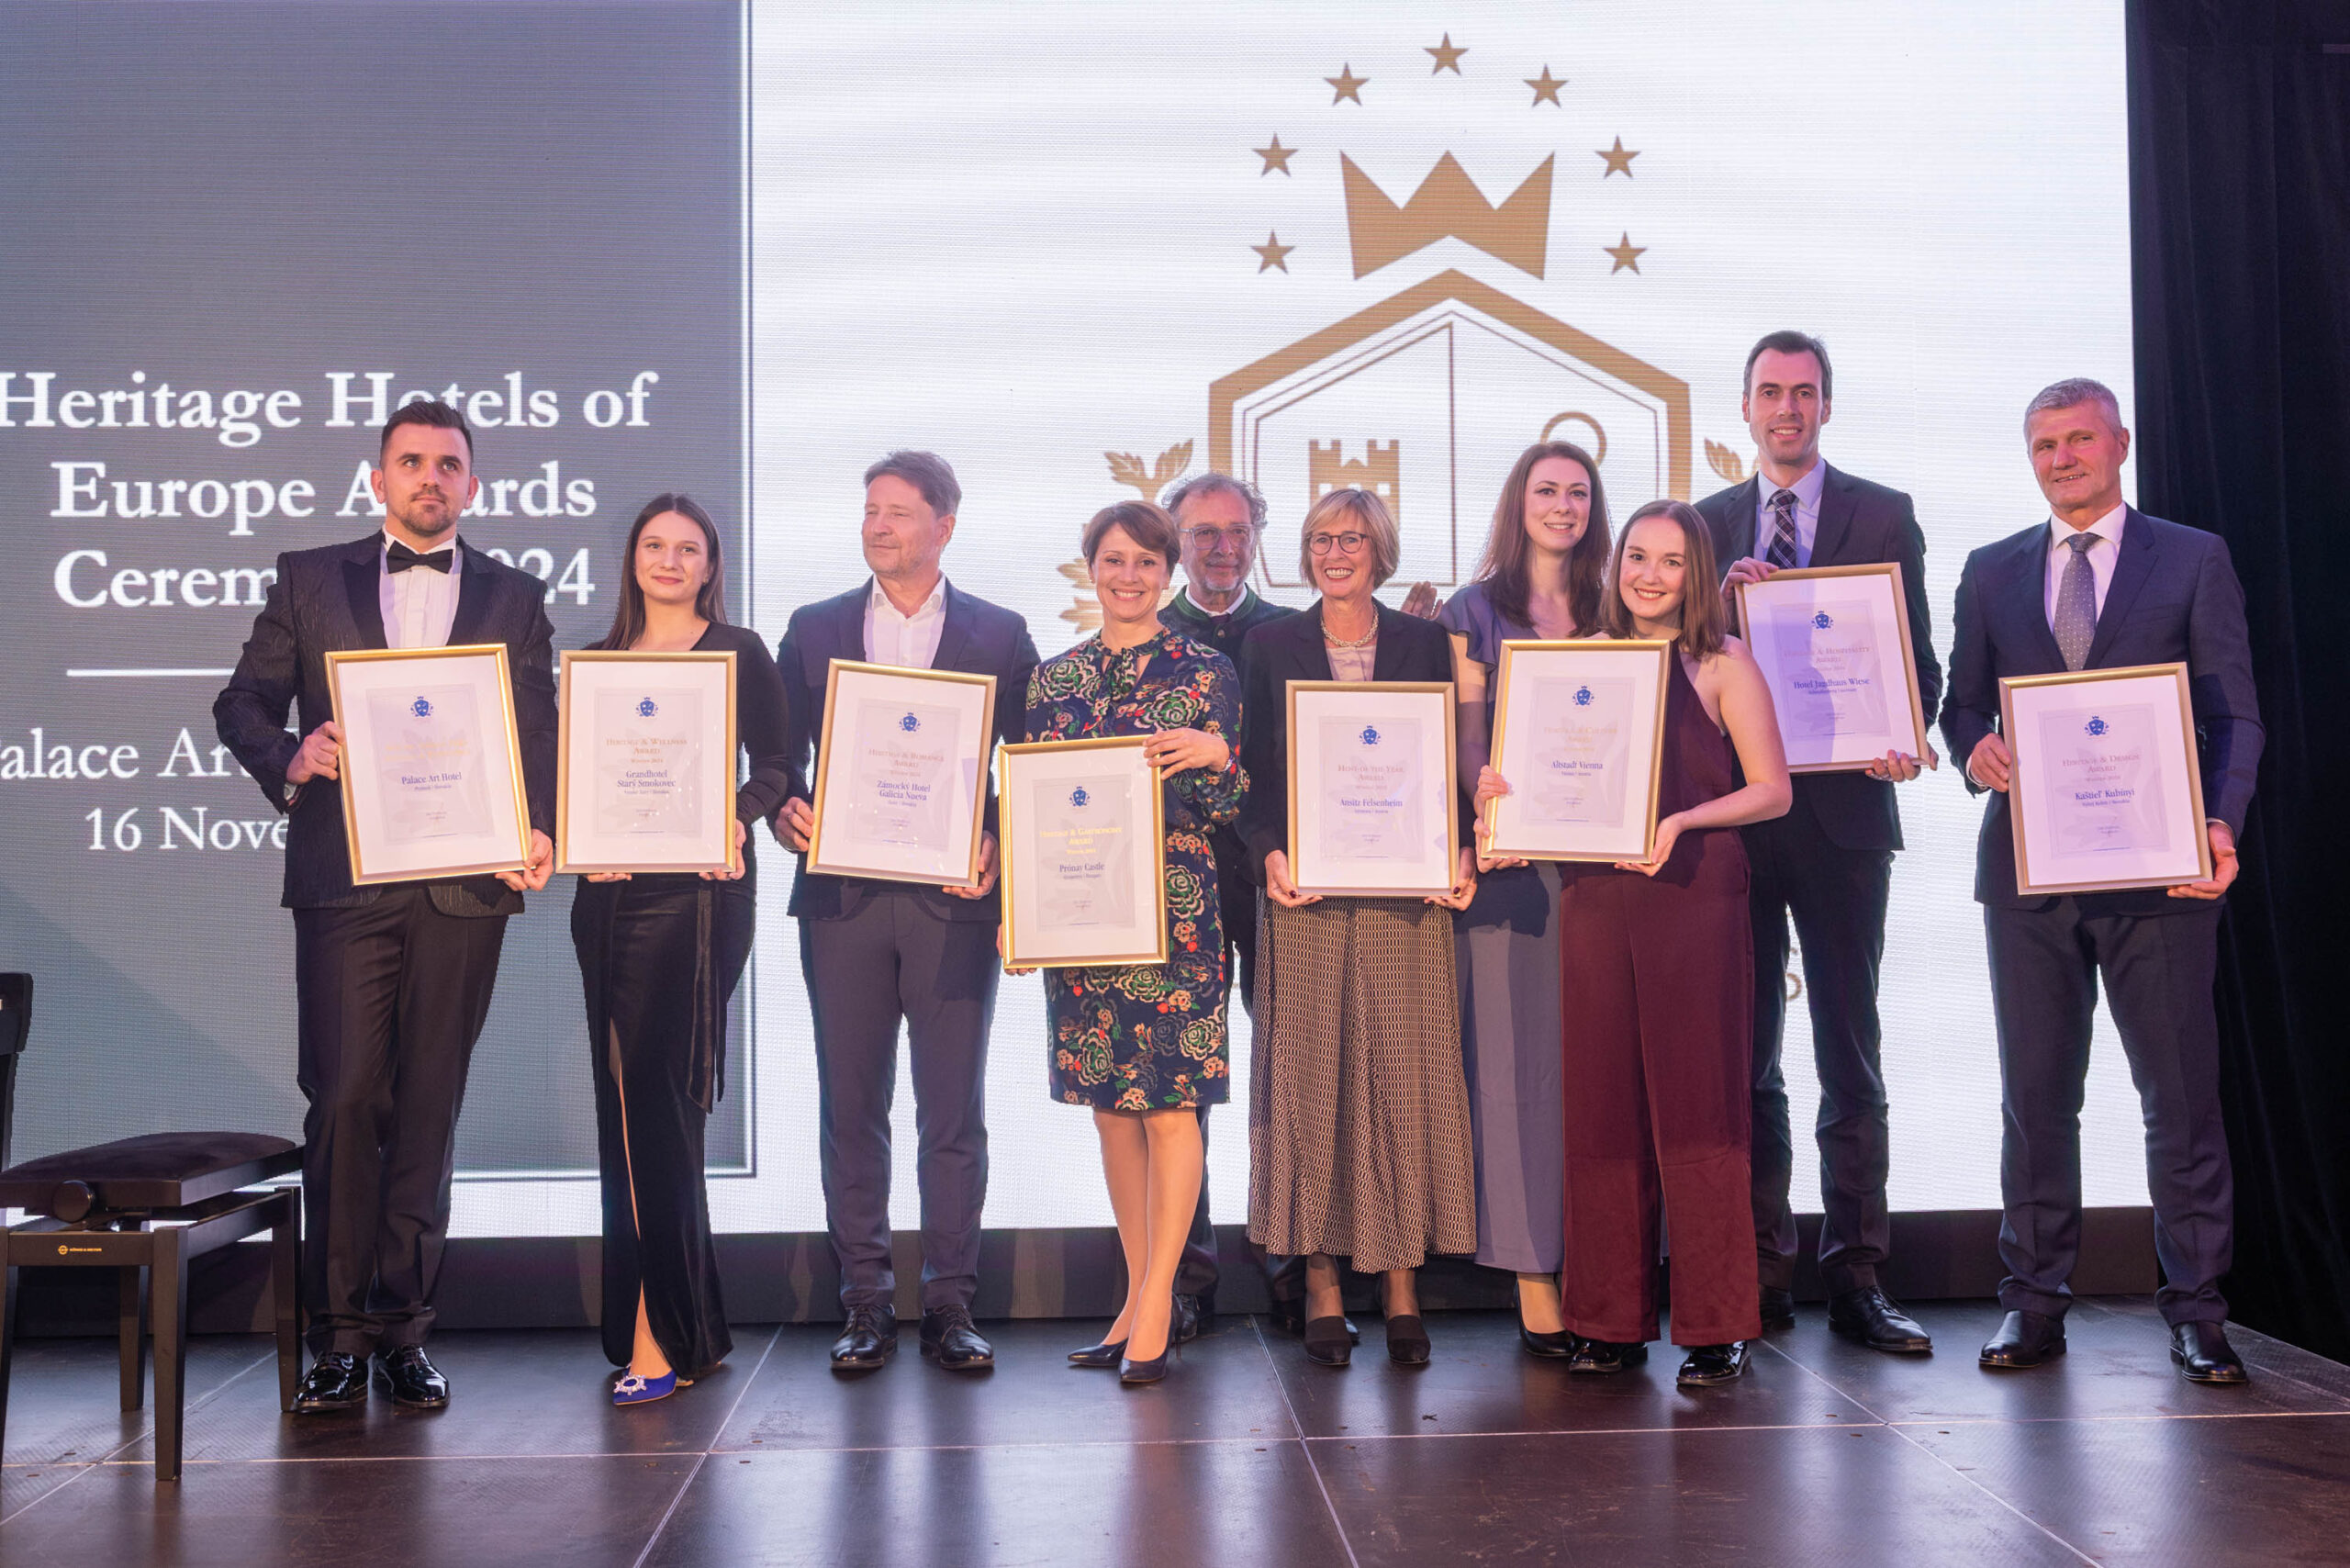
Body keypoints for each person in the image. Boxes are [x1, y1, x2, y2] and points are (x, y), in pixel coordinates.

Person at [214, 400, 556, 1413]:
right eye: (411, 462)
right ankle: (338, 1334)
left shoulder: (514, 595)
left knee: (429, 1105)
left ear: (474, 485)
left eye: (449, 464)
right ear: (379, 477)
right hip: (344, 882)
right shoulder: (308, 579)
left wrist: (540, 827)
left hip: (467, 884)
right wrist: (292, 753)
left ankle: (404, 1333)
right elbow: (240, 704)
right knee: (348, 1094)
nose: (430, 478)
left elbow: (533, 734)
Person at [1940, 379, 2261, 1383]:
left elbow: (2234, 715)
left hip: (2159, 873)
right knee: (2036, 1099)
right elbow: (1958, 705)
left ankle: (2198, 1310)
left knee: (2179, 1099)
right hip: (2027, 875)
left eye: (2079, 438)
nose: (2061, 457)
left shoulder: (2192, 556)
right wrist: (1974, 748)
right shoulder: (1991, 570)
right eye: (2043, 443)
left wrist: (2218, 820)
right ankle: (2032, 1304)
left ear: (2118, 443)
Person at [1486, 499, 1789, 1386]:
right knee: (1601, 1106)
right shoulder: (1576, 665)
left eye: (1670, 562)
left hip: (1692, 892)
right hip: (1593, 896)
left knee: (1699, 1106)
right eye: (1636, 559)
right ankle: (1608, 1319)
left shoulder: (1724, 663)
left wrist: (1686, 818)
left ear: (1698, 574)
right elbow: (1539, 781)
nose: (1649, 576)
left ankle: (1715, 1323)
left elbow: (1772, 791)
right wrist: (1503, 791)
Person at [1694, 331, 1942, 1352]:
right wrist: (1718, 607)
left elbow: (1915, 660)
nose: (1786, 409)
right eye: (1769, 393)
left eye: (1803, 393)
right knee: (1746, 1057)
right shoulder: (1704, 527)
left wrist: (1903, 730)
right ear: (1743, 410)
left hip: (1844, 818)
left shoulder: (1884, 513)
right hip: (1739, 824)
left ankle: (1858, 1273)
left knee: (1850, 1047)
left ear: (1825, 407)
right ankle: (1759, 1271)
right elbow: (1674, 675)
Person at [773, 450, 1038, 1373]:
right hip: (842, 902)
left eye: (898, 511)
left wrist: (1000, 838)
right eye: (870, 510)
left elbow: (1031, 768)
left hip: (950, 906)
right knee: (852, 1108)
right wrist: (781, 807)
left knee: (951, 1111)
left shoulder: (1001, 635)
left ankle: (952, 1306)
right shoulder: (810, 629)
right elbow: (775, 759)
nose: (878, 525)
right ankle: (864, 1305)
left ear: (944, 527)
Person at [1240, 487, 1480, 1369]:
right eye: (1318, 539)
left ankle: (1405, 1283)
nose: (1333, 552)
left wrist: (1458, 848)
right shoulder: (1269, 645)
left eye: (1351, 538)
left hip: (1406, 895)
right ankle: (1325, 1282)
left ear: (1381, 548)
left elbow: (1450, 766)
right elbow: (1254, 774)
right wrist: (1268, 851)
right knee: (1311, 1086)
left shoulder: (1424, 644)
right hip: (1304, 895)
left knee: (1401, 1083)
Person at [570, 495, 791, 1406]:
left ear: (710, 564)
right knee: (621, 1110)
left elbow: (777, 765)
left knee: (660, 1108)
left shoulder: (740, 651)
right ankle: (667, 1324)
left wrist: (730, 817)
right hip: (609, 896)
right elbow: (570, 777)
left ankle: (662, 1338)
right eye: (654, 545)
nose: (668, 559)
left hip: (699, 897)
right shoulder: (594, 662)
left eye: (687, 548)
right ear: (633, 559)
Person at [1025, 499, 1247, 1384]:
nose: (1130, 576)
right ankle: (1136, 1291)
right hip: (1084, 920)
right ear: (1091, 567)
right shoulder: (1053, 681)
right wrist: (1025, 915)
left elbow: (1233, 808)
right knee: (1112, 1110)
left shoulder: (1207, 671)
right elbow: (1037, 811)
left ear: (1170, 572)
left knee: (1170, 1105)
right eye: (1114, 560)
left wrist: (1219, 758)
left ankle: (1158, 1299)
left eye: (1147, 562)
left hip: (1179, 912)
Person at [1442, 441, 1611, 1359]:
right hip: (1513, 867)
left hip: (1609, 866)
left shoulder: (1617, 602)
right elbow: (1469, 737)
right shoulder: (1475, 610)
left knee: (1596, 1071)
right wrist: (1482, 790)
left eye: (1579, 492)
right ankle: (1533, 1276)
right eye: (1546, 490)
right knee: (1512, 1075)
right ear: (1518, 502)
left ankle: (1603, 1263)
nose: (1563, 505)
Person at [1153, 471, 1302, 1339]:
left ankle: (1287, 1259)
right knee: (1181, 1088)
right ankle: (1188, 1272)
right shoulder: (1148, 636)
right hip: (1175, 884)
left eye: (1238, 531)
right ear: (1176, 541)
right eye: (1204, 532)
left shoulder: (1287, 634)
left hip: (1273, 877)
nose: (1222, 546)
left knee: (1283, 1074)